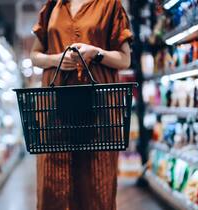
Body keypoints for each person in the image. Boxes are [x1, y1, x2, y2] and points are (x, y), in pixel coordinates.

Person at [30, 0, 132, 209]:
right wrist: (56, 59)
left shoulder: (110, 5)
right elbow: (35, 55)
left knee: (97, 184)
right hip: (54, 109)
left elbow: (124, 59)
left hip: (99, 110)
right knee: (52, 185)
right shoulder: (53, 6)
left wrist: (95, 53)